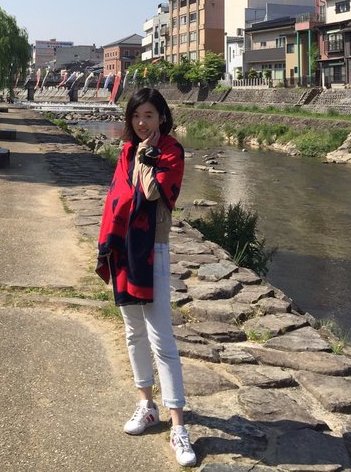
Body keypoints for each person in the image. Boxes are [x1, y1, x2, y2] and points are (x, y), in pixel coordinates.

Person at [96, 87, 196, 467]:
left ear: (162, 117)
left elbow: (154, 192)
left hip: (151, 248)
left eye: (150, 115)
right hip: (122, 248)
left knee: (161, 338)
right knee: (133, 332)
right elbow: (116, 198)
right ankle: (146, 404)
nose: (142, 123)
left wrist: (145, 158)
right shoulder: (125, 151)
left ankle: (178, 426)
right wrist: (137, 155)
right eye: (137, 116)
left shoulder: (171, 151)